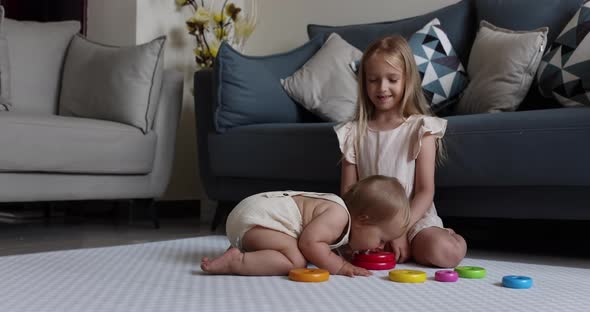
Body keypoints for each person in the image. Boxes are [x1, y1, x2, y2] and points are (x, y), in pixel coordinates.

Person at [334, 35, 467, 268]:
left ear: (407, 80)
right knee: (338, 249)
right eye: (373, 80)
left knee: (444, 252)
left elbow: (425, 191)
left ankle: (447, 235)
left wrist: (400, 230)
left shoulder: (421, 128)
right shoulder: (352, 132)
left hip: (413, 219)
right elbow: (348, 191)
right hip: (370, 222)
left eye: (392, 79)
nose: (382, 87)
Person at [201, 175, 410, 277]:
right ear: (363, 220)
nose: (381, 247)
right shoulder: (338, 217)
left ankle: (247, 248)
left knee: (287, 245)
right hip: (259, 219)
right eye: (382, 239)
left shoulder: (337, 211)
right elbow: (310, 243)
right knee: (296, 261)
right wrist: (340, 266)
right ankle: (237, 261)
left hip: (251, 215)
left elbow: (326, 244)